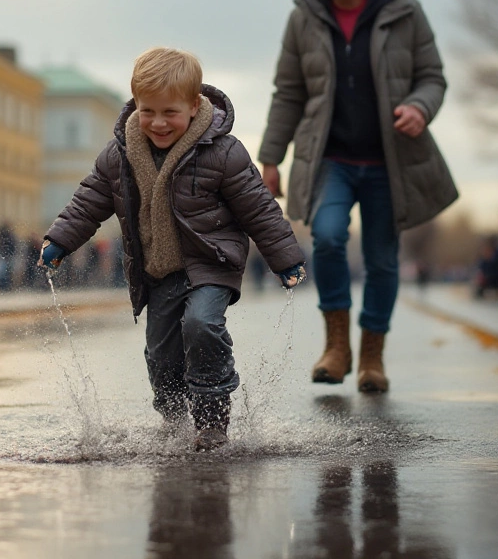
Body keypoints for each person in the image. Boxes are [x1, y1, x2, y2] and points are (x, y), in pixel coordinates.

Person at [41, 47, 306, 451]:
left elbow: (259, 208)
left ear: (194, 105)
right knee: (162, 355)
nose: (158, 123)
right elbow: (89, 200)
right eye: (148, 111)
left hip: (211, 264)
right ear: (135, 106)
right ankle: (174, 420)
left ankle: (213, 420)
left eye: (171, 113)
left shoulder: (223, 152)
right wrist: (59, 240)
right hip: (159, 269)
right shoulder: (121, 153)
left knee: (201, 325)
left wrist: (286, 260)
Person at [257, 0, 458, 393]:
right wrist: (270, 159)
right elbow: (288, 92)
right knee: (326, 237)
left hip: (391, 160)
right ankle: (336, 346)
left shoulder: (405, 12)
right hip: (330, 159)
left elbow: (433, 77)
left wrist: (419, 107)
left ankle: (372, 356)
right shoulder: (303, 16)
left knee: (383, 259)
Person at [475, 236, 498, 300]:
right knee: (479, 290)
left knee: (496, 288)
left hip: (497, 276)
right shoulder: (487, 253)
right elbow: (483, 266)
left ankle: (496, 295)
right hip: (490, 276)